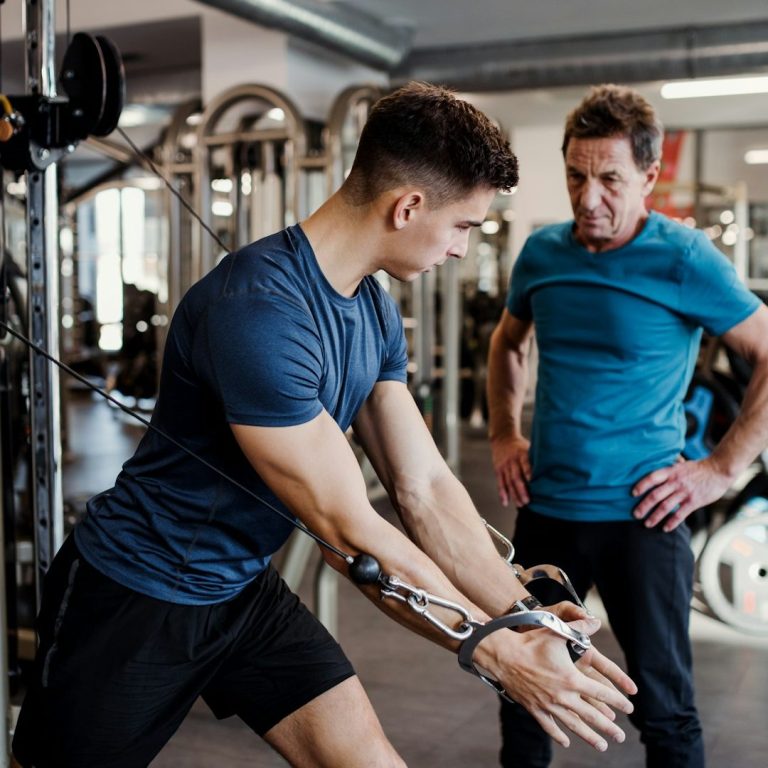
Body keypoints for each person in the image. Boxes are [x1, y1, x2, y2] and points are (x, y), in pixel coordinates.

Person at [13, 82, 636, 768]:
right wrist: (497, 651)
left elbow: (423, 486)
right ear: (408, 206)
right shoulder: (258, 312)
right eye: (464, 226)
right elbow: (349, 529)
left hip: (241, 589)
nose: (462, 249)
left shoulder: (370, 309)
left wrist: (526, 612)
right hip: (137, 594)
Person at [486, 83, 768, 768]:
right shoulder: (542, 255)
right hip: (548, 512)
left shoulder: (684, 258)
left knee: (665, 709)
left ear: (648, 175)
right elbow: (507, 343)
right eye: (576, 177)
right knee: (523, 688)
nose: (589, 199)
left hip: (643, 517)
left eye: (610, 179)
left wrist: (721, 470)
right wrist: (502, 432)